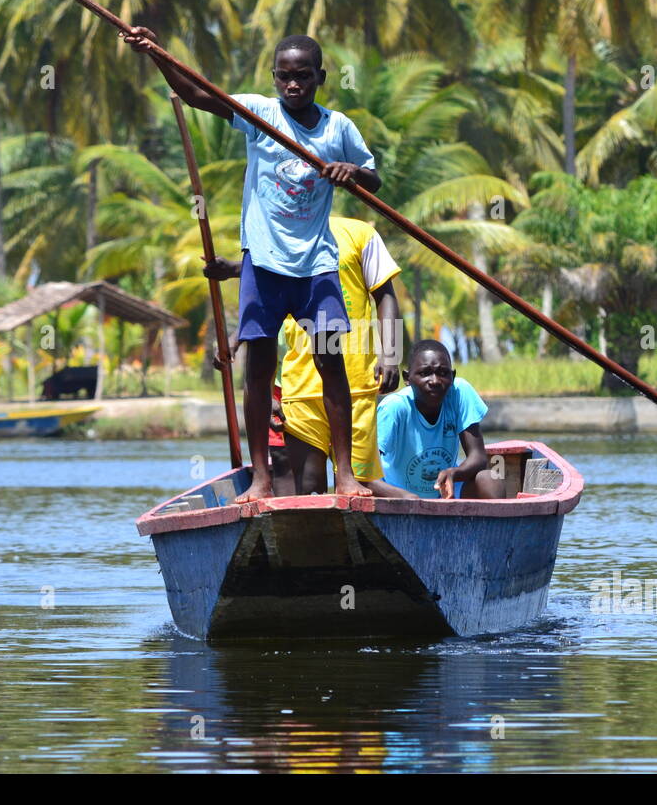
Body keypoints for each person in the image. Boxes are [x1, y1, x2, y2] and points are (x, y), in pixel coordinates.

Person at [123, 28, 380, 501]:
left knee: (331, 364)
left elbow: (373, 178)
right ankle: (260, 478)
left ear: (320, 77)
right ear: (275, 78)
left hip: (315, 265)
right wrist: (157, 53)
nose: (293, 86)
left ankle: (344, 475)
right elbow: (198, 94)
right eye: (284, 77)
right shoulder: (258, 113)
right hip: (262, 264)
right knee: (258, 370)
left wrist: (352, 173)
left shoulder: (337, 128)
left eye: (303, 77)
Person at [206, 216, 405, 495]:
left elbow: (384, 294)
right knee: (308, 486)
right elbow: (265, 298)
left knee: (358, 486)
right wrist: (235, 336)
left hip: (355, 385)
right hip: (299, 388)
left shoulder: (359, 233)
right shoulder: (278, 234)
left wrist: (391, 355)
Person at [371, 339, 503, 500]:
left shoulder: (459, 392)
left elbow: (478, 456)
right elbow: (365, 471)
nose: (434, 381)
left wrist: (454, 473)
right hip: (398, 494)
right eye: (425, 373)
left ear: (452, 376)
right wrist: (402, 496)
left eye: (443, 373)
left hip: (445, 491)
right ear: (407, 378)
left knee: (491, 479)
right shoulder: (394, 408)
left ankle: (489, 525)